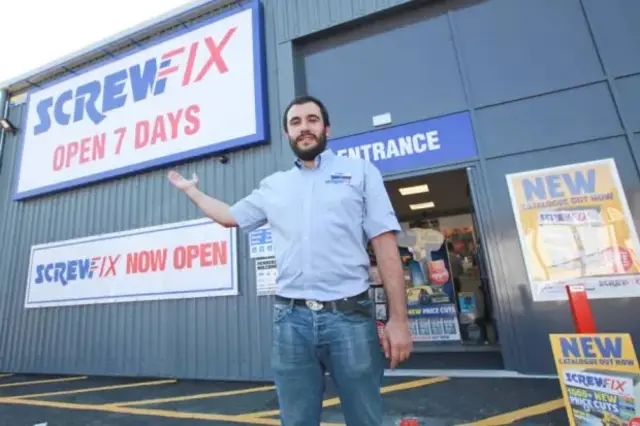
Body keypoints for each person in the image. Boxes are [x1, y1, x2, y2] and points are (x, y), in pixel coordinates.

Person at [167, 95, 413, 426]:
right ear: (287, 135)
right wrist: (191, 191)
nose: (304, 128)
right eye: (295, 123)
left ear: (327, 128)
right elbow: (228, 216)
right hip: (291, 322)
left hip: (350, 319)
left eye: (312, 120)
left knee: (365, 418)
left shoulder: (360, 172)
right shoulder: (274, 186)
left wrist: (399, 320)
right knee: (296, 421)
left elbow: (385, 245)